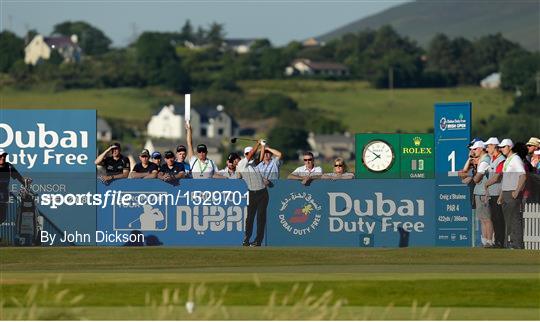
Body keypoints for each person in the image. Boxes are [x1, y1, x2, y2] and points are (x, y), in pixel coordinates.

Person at [237, 140, 269, 247]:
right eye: (247, 154)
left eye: (250, 153)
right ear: (245, 155)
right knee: (250, 218)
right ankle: (246, 239)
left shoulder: (254, 163)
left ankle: (258, 241)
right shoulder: (242, 164)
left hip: (263, 193)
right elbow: (252, 154)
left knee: (261, 217)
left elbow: (261, 157)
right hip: (252, 193)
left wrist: (263, 146)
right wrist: (258, 143)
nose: (250, 155)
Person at [462, 140, 494, 247]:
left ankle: (489, 241)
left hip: (484, 192)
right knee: (482, 218)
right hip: (479, 192)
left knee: (487, 218)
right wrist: (470, 159)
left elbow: (476, 179)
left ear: (480, 149)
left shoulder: (485, 160)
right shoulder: (481, 160)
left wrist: (470, 178)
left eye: (474, 149)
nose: (473, 151)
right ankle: (485, 241)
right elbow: (463, 172)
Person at [497, 139, 527, 249]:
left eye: (503, 147)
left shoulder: (516, 159)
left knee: (515, 220)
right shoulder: (507, 160)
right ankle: (509, 244)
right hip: (506, 193)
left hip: (512, 193)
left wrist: (517, 191)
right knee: (507, 221)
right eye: (501, 147)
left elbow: (523, 176)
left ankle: (517, 245)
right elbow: (505, 179)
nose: (501, 149)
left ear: (510, 147)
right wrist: (501, 195)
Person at [483, 137, 506, 248]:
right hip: (493, 193)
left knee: (499, 219)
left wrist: (486, 184)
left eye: (488, 146)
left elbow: (497, 177)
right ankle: (497, 241)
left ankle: (500, 242)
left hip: (498, 193)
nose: (487, 148)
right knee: (495, 219)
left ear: (494, 146)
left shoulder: (501, 159)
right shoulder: (493, 159)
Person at [0, 149, 30, 227]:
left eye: (4, 156)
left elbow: (19, 178)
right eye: (0, 156)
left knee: (2, 218)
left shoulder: (9, 167)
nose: (2, 158)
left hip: (4, 198)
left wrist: (26, 182)